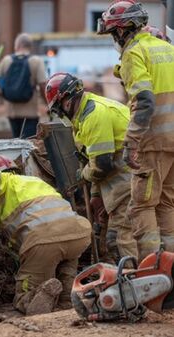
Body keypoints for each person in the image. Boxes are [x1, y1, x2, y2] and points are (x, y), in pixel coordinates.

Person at [0, 155, 91, 315]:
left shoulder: (2, 183)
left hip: (44, 239)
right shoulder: (35, 182)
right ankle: (68, 300)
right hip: (79, 232)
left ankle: (32, 301)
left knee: (24, 294)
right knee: (66, 265)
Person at [98, 0, 174, 260]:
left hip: (152, 143)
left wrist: (131, 142)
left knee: (142, 207)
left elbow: (144, 100)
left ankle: (151, 270)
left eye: (112, 33)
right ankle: (170, 272)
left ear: (121, 30)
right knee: (167, 205)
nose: (113, 39)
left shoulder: (134, 52)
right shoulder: (167, 49)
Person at [45, 72, 138, 261]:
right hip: (122, 179)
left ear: (66, 102)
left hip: (130, 178)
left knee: (118, 240)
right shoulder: (84, 116)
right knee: (114, 238)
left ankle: (136, 282)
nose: (60, 114)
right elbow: (93, 159)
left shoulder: (94, 115)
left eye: (58, 109)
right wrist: (96, 195)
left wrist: (83, 175)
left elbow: (102, 164)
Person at [0, 33, 47, 138]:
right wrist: (47, 104)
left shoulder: (6, 60)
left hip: (11, 111)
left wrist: (4, 94)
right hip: (30, 112)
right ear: (30, 46)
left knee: (16, 141)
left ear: (17, 45)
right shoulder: (36, 61)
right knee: (29, 143)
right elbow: (42, 85)